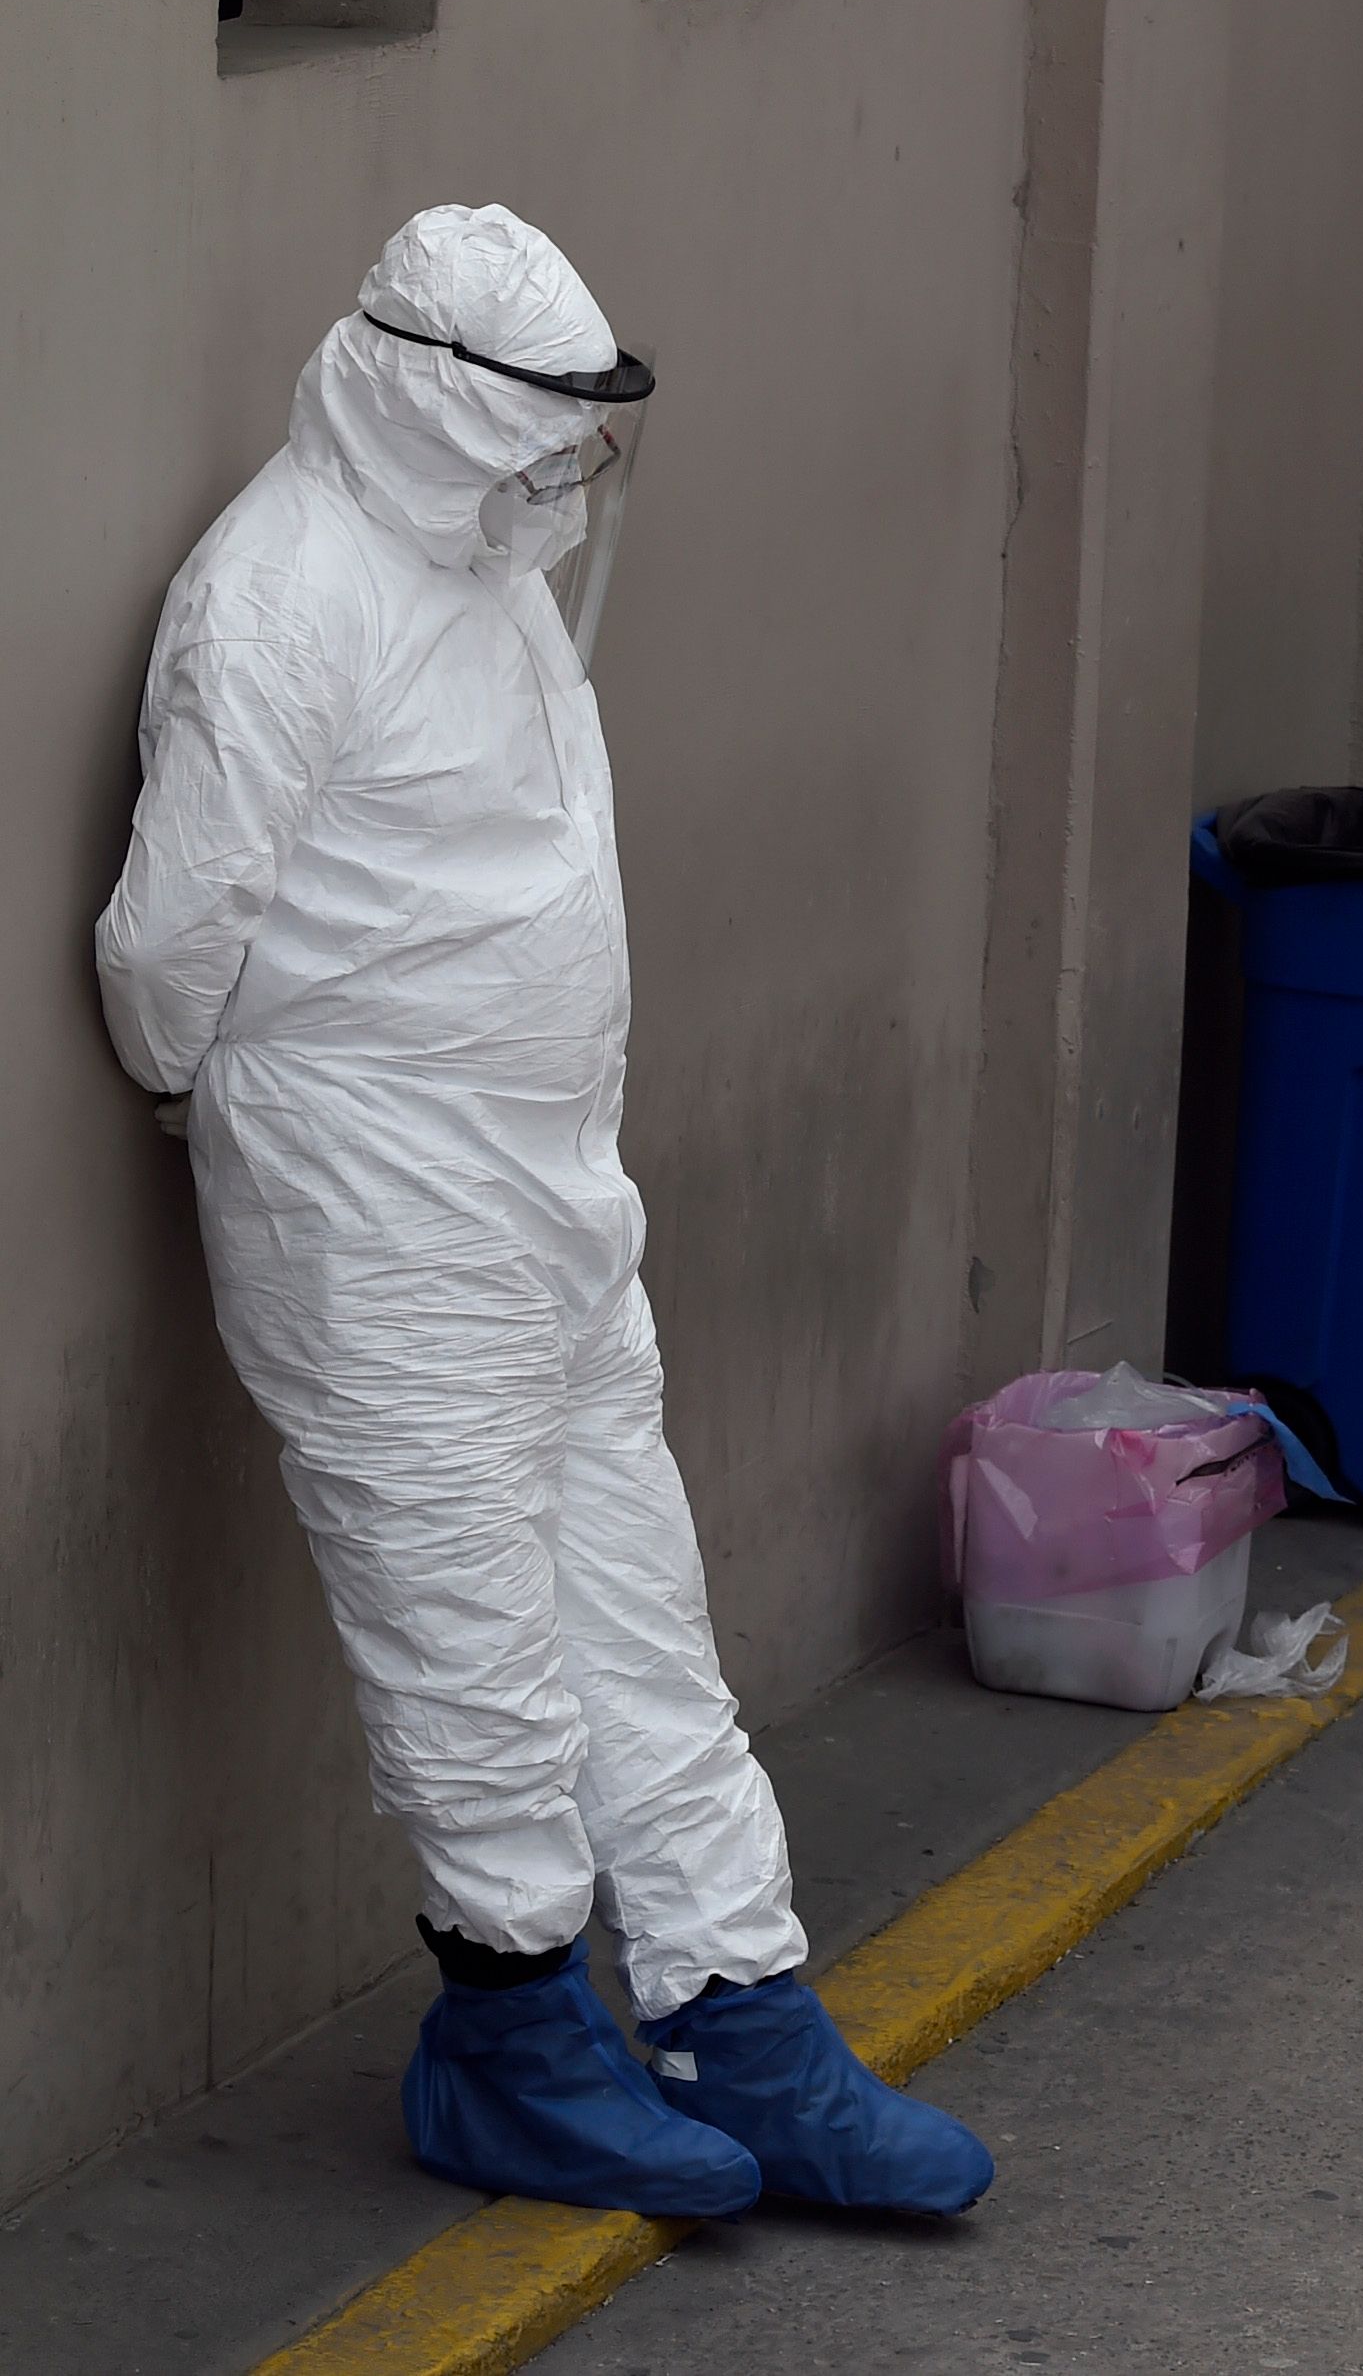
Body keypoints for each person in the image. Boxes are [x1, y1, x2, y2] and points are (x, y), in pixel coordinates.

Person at [94, 205, 992, 2223]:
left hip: (553, 1206)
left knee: (636, 1631)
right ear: (429, 404)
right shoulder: (274, 602)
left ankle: (740, 2014)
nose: (564, 474)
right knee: (475, 1655)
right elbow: (165, 952)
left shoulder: (487, 576)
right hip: (377, 1226)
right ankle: (507, 2043)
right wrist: (241, 1113)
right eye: (531, 431)